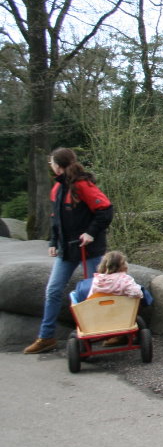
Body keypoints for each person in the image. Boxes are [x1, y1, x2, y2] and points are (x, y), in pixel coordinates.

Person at [23, 148, 113, 354]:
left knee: (97, 291)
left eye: (52, 163)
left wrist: (90, 233)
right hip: (67, 250)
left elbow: (106, 210)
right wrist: (53, 242)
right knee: (53, 290)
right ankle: (46, 337)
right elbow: (56, 219)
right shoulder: (57, 189)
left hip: (89, 249)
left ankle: (109, 333)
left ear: (59, 165)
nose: (50, 166)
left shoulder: (83, 186)